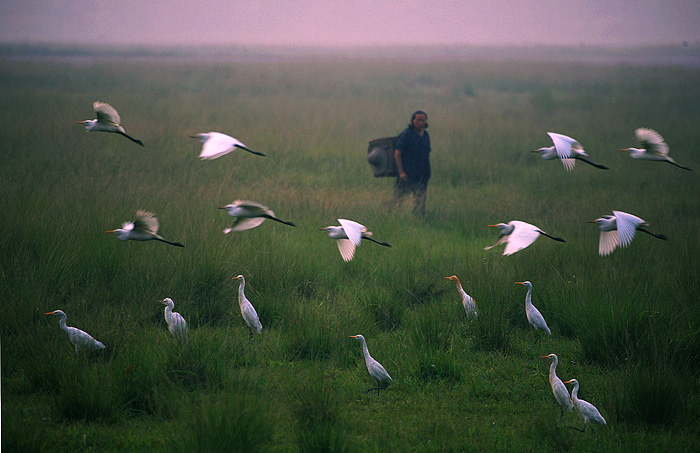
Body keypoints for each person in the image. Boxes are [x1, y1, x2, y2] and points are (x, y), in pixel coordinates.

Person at [390, 110, 431, 219]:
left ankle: (419, 221)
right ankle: (391, 218)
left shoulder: (426, 135)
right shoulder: (407, 134)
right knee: (398, 200)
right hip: (407, 174)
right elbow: (397, 154)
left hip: (422, 175)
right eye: (418, 120)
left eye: (423, 120)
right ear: (413, 121)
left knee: (420, 201)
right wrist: (401, 172)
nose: (421, 122)